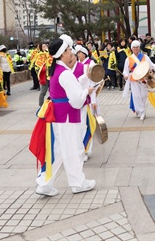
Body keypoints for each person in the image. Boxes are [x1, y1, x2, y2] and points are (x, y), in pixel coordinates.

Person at [35, 35, 96, 197]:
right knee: (73, 149)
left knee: (59, 151)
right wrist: (87, 91)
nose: (72, 52)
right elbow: (76, 100)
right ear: (62, 53)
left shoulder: (57, 70)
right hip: (68, 116)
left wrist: (84, 78)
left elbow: (70, 87)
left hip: (59, 116)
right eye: (69, 49)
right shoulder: (65, 73)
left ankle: (44, 184)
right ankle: (77, 183)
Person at [123, 40, 155, 120]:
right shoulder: (129, 59)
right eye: (134, 47)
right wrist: (126, 75)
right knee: (136, 96)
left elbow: (151, 65)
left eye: (137, 47)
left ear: (139, 48)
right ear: (131, 49)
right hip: (134, 79)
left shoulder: (145, 57)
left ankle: (141, 110)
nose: (136, 49)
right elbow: (125, 70)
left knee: (144, 95)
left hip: (144, 79)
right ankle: (142, 111)